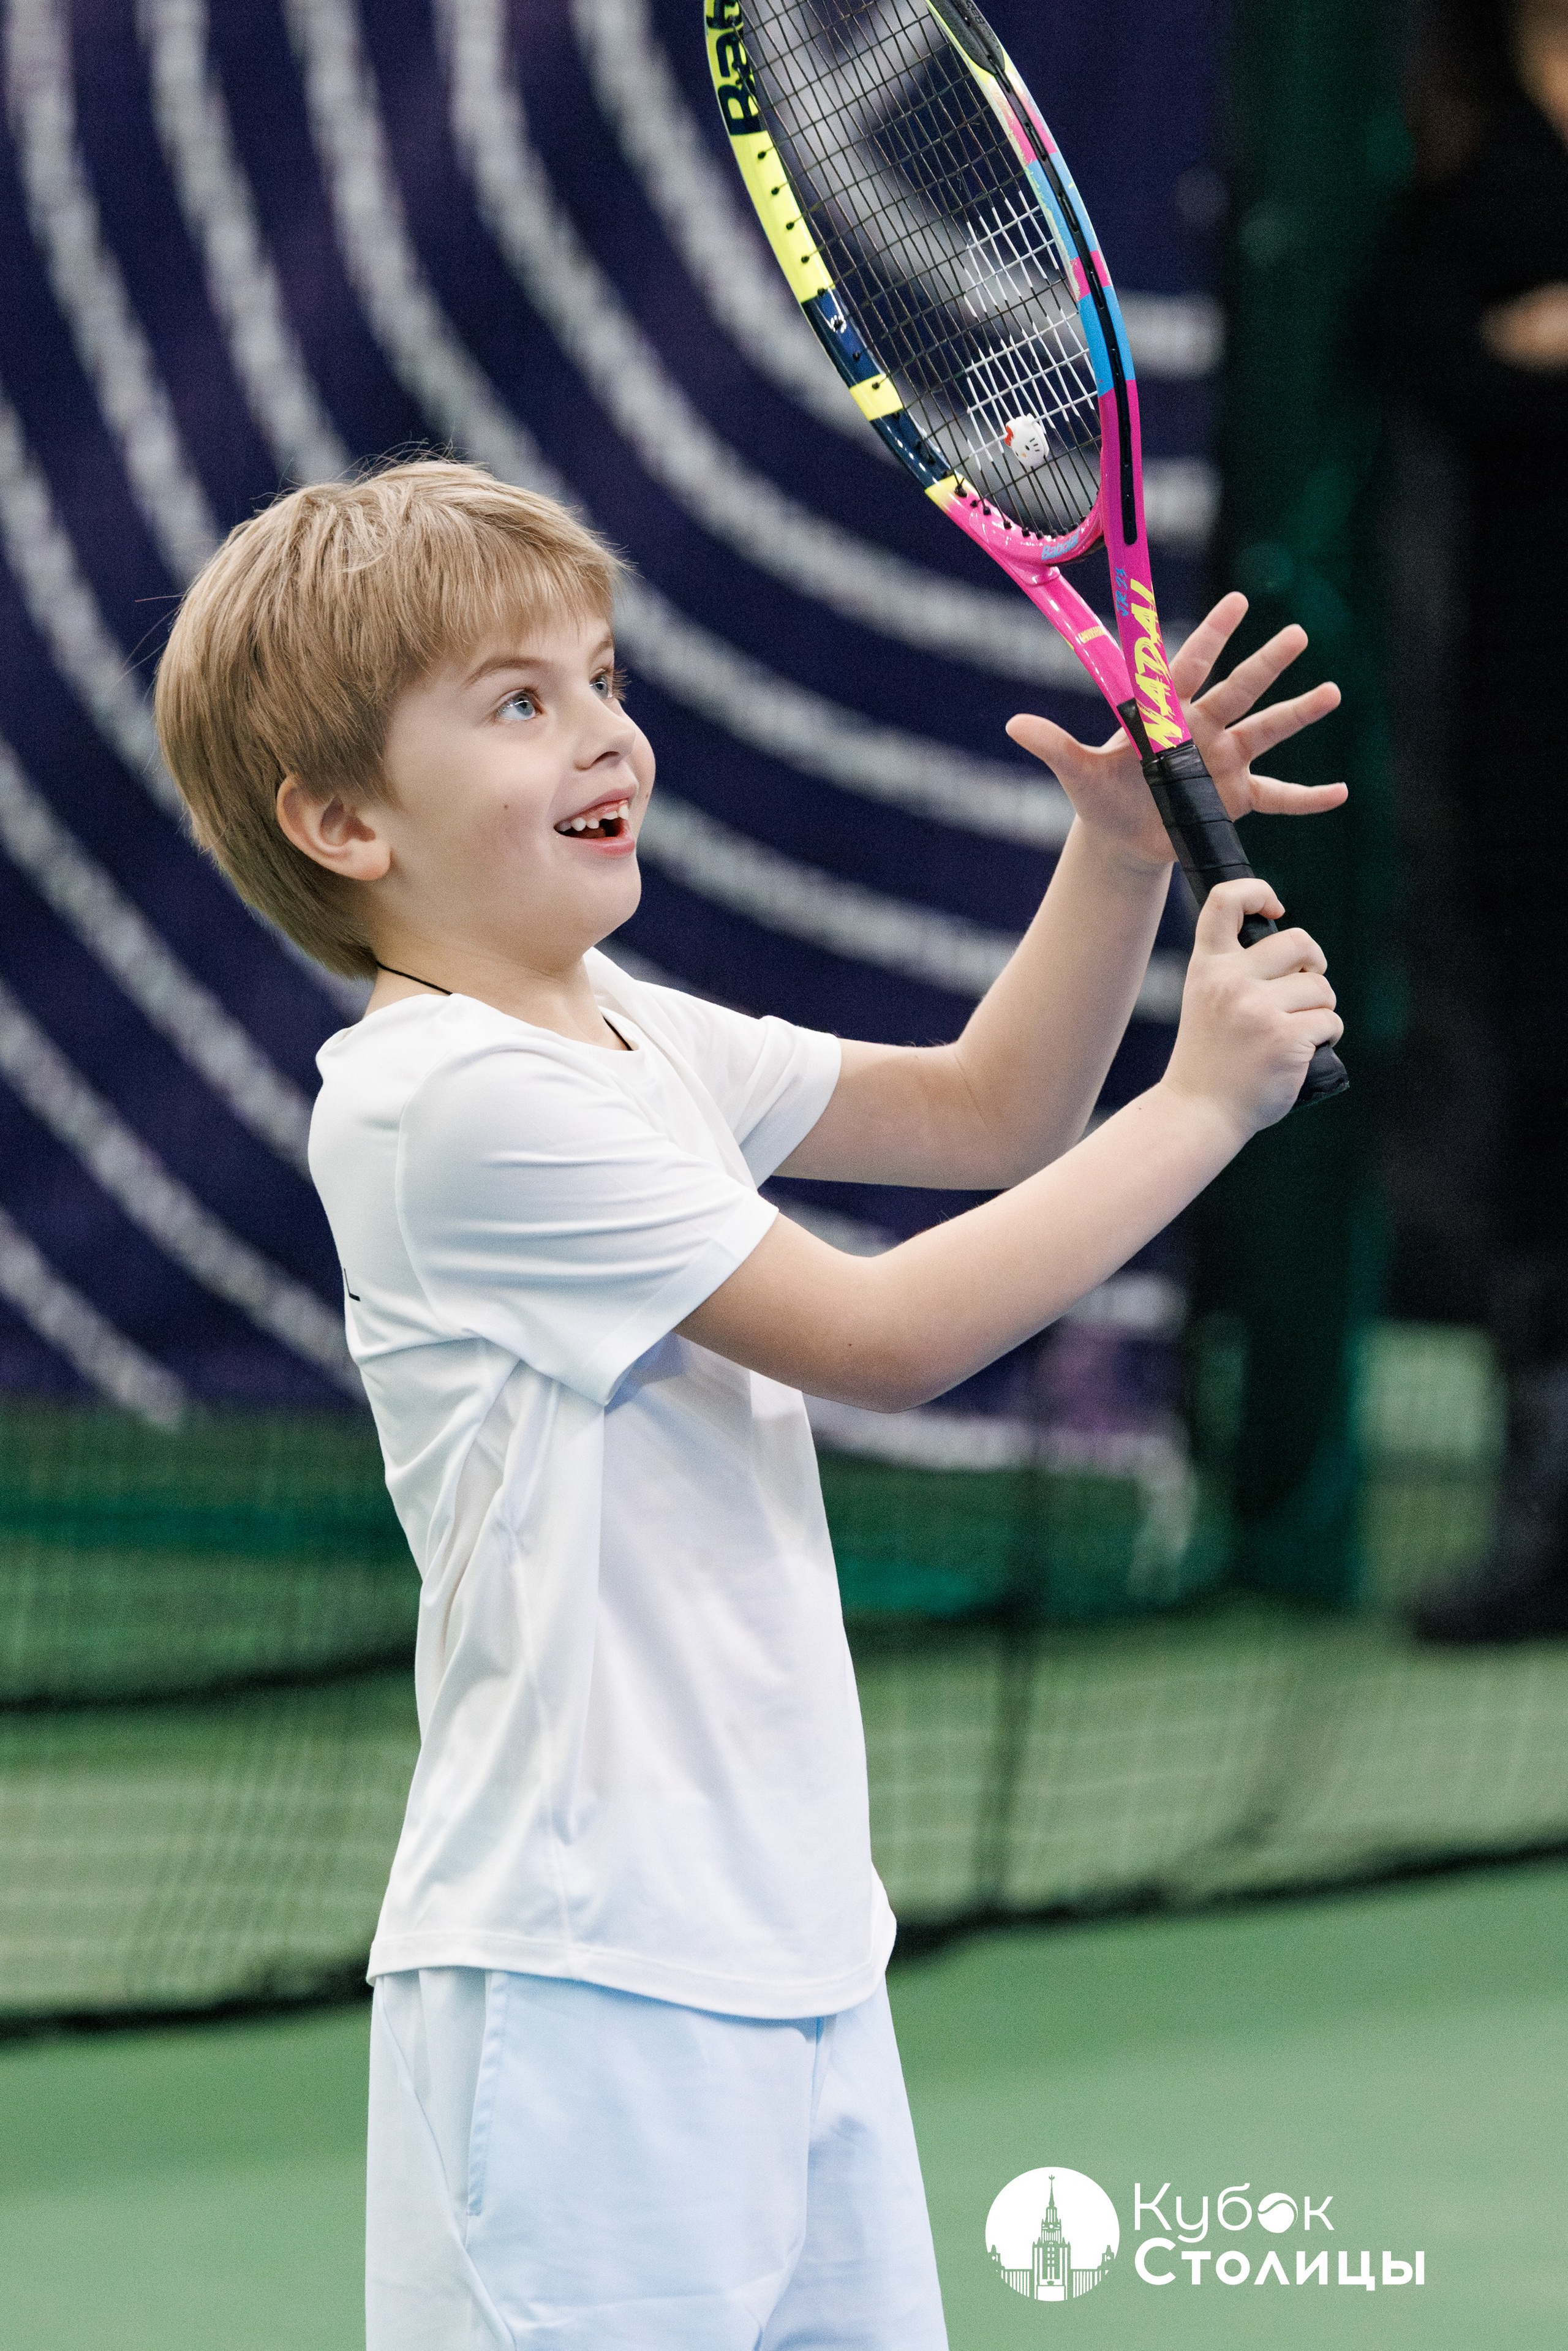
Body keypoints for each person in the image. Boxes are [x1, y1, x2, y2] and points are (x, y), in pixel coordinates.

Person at [152, 458, 1343, 2349]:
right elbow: (882, 1336)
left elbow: (986, 1113)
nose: (602, 732)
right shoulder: (445, 1103)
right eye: (517, 702)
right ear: (342, 820)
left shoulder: (620, 1026)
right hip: (587, 1993)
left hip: (796, 1951)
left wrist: (1119, 854)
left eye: (602, 677)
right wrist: (1200, 1106)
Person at [1395, 0, 1568, 1640]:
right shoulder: (1465, 151)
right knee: (1545, 1090)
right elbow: (1427, 351)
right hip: (1529, 722)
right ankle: (1546, 1517)